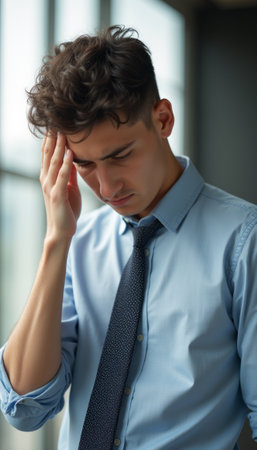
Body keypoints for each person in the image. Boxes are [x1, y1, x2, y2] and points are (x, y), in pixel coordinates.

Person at [0, 25, 257, 450]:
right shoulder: (78, 245)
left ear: (163, 120)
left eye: (120, 155)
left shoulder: (243, 243)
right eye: (84, 165)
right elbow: (26, 407)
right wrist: (57, 239)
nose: (105, 187)